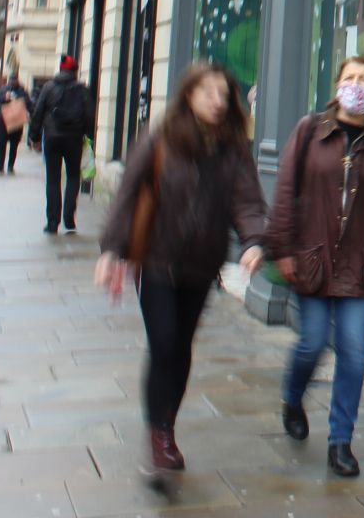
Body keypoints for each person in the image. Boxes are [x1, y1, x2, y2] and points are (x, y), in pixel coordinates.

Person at [95, 64, 267, 487]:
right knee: (165, 342)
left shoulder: (232, 149)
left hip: (201, 265)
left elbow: (247, 201)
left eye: (224, 93)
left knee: (181, 346)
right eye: (208, 91)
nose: (217, 99)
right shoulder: (161, 139)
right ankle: (158, 439)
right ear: (188, 95)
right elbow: (128, 195)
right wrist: (112, 251)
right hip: (156, 261)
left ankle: (166, 425)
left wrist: (254, 241)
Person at [267, 55, 364, 479]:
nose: (356, 84)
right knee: (312, 342)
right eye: (349, 77)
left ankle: (340, 441)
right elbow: (286, 188)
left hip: (359, 266)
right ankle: (293, 397)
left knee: (353, 352)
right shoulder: (310, 130)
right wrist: (283, 249)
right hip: (311, 259)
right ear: (337, 85)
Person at [31, 55, 95, 234]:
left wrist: (34, 136)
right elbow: (90, 115)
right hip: (74, 139)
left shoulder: (49, 87)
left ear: (61, 69)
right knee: (73, 177)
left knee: (53, 179)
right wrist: (88, 136)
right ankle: (69, 217)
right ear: (75, 71)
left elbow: (38, 112)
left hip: (52, 137)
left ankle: (52, 221)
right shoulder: (82, 90)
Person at [0, 76, 31, 174]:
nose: (13, 83)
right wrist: (4, 98)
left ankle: (10, 166)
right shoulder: (3, 90)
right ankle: (0, 166)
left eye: (15, 81)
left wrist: (19, 100)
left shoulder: (22, 91)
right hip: (4, 121)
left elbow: (29, 104)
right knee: (2, 144)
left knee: (14, 145)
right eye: (11, 81)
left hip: (16, 122)